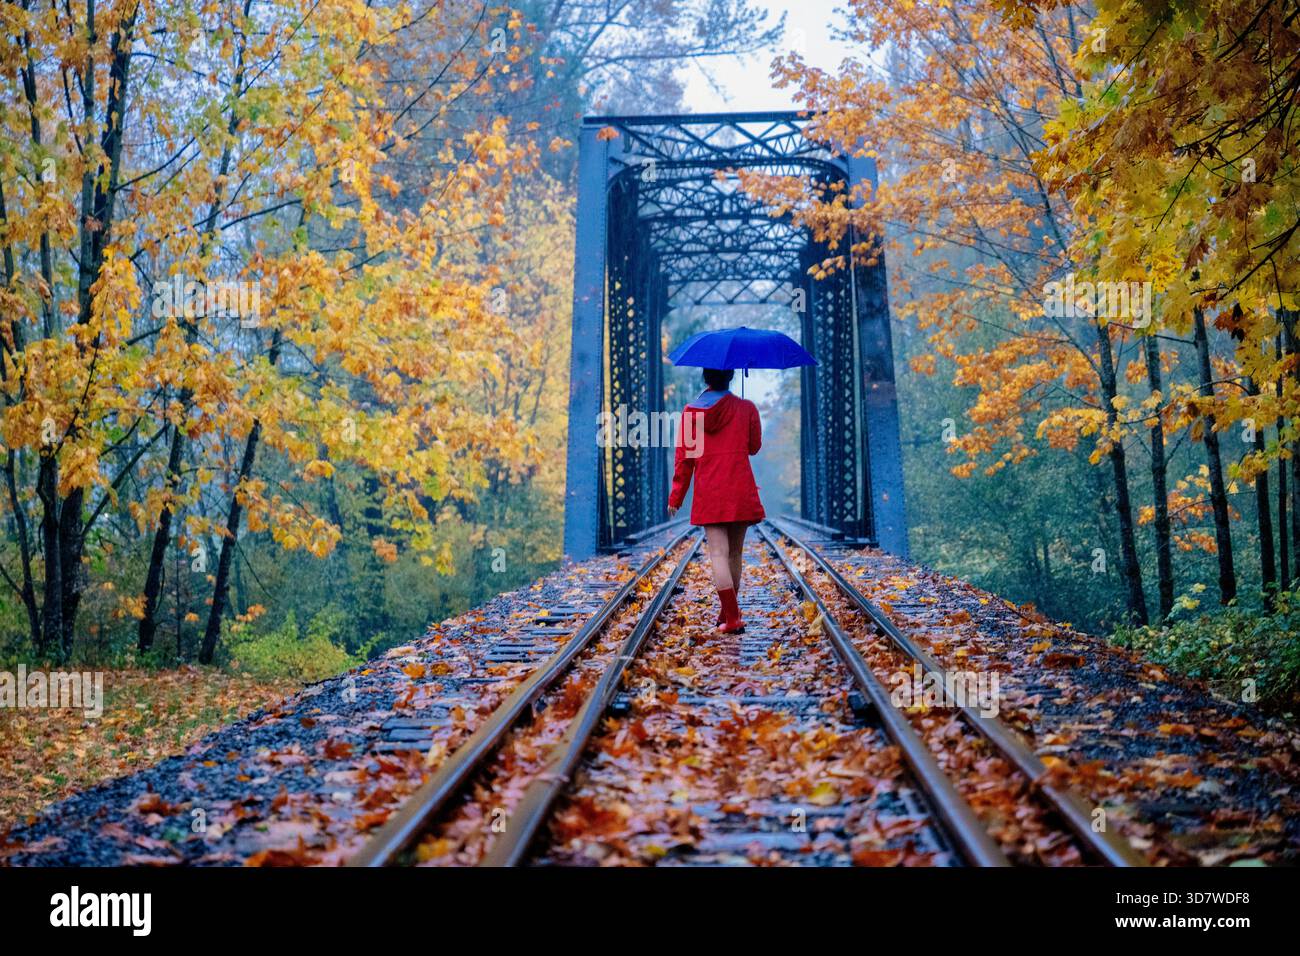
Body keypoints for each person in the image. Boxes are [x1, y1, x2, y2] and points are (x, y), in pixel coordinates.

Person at [666, 367, 765, 633]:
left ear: (705, 378)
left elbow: (684, 460)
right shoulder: (747, 408)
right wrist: (743, 416)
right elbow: (754, 447)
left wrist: (676, 496)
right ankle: (729, 616)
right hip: (740, 488)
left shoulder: (691, 413)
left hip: (711, 492)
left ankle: (730, 617)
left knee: (718, 554)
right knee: (735, 554)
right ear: (731, 376)